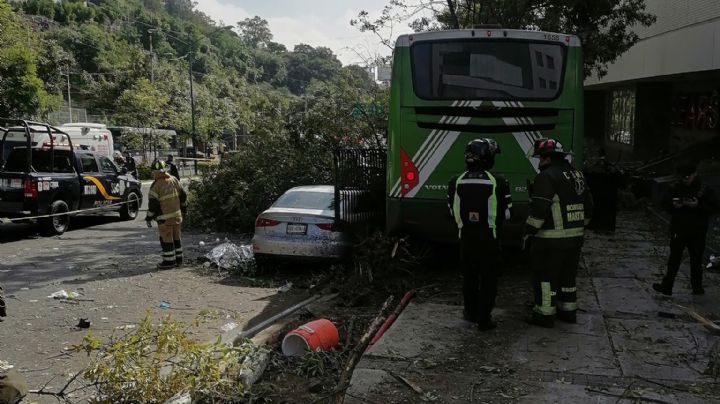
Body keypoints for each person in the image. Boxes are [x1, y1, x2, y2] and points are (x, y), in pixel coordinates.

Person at [525, 138, 593, 328]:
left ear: (547, 158)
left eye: (540, 159)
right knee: (568, 278)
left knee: (545, 278)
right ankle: (568, 311)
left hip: (550, 240)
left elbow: (539, 210)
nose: (539, 164)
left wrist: (528, 232)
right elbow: (589, 205)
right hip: (576, 238)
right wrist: (579, 226)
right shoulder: (576, 174)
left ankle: (544, 315)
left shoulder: (546, 177)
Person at [447, 139, 503, 331]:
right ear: (487, 157)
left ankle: (469, 313)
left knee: (469, 277)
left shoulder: (456, 181)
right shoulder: (498, 181)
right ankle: (484, 319)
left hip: (466, 238)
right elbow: (507, 214)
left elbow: (450, 212)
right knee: (488, 279)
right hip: (490, 239)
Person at [653, 162, 719, 296]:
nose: (685, 180)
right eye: (682, 177)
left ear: (695, 174)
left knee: (696, 259)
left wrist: (698, 206)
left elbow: (715, 207)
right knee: (674, 259)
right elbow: (663, 204)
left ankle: (697, 288)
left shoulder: (705, 189)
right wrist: (673, 206)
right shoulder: (675, 187)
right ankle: (667, 286)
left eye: (687, 177)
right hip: (679, 227)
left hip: (698, 229)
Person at [146, 160, 187, 269]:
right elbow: (183, 195)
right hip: (177, 217)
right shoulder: (174, 180)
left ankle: (169, 262)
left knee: (166, 239)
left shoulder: (155, 186)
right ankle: (179, 260)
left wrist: (148, 217)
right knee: (177, 238)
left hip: (164, 219)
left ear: (155, 172)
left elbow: (153, 205)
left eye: (154, 172)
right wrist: (184, 209)